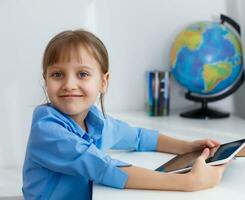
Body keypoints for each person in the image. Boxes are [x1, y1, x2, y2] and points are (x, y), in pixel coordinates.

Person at [22, 29, 227, 199]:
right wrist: (188, 182)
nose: (69, 85)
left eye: (82, 74)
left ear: (103, 81)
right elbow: (103, 169)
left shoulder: (94, 121)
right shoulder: (47, 129)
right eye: (57, 75)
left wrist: (185, 147)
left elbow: (138, 137)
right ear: (46, 79)